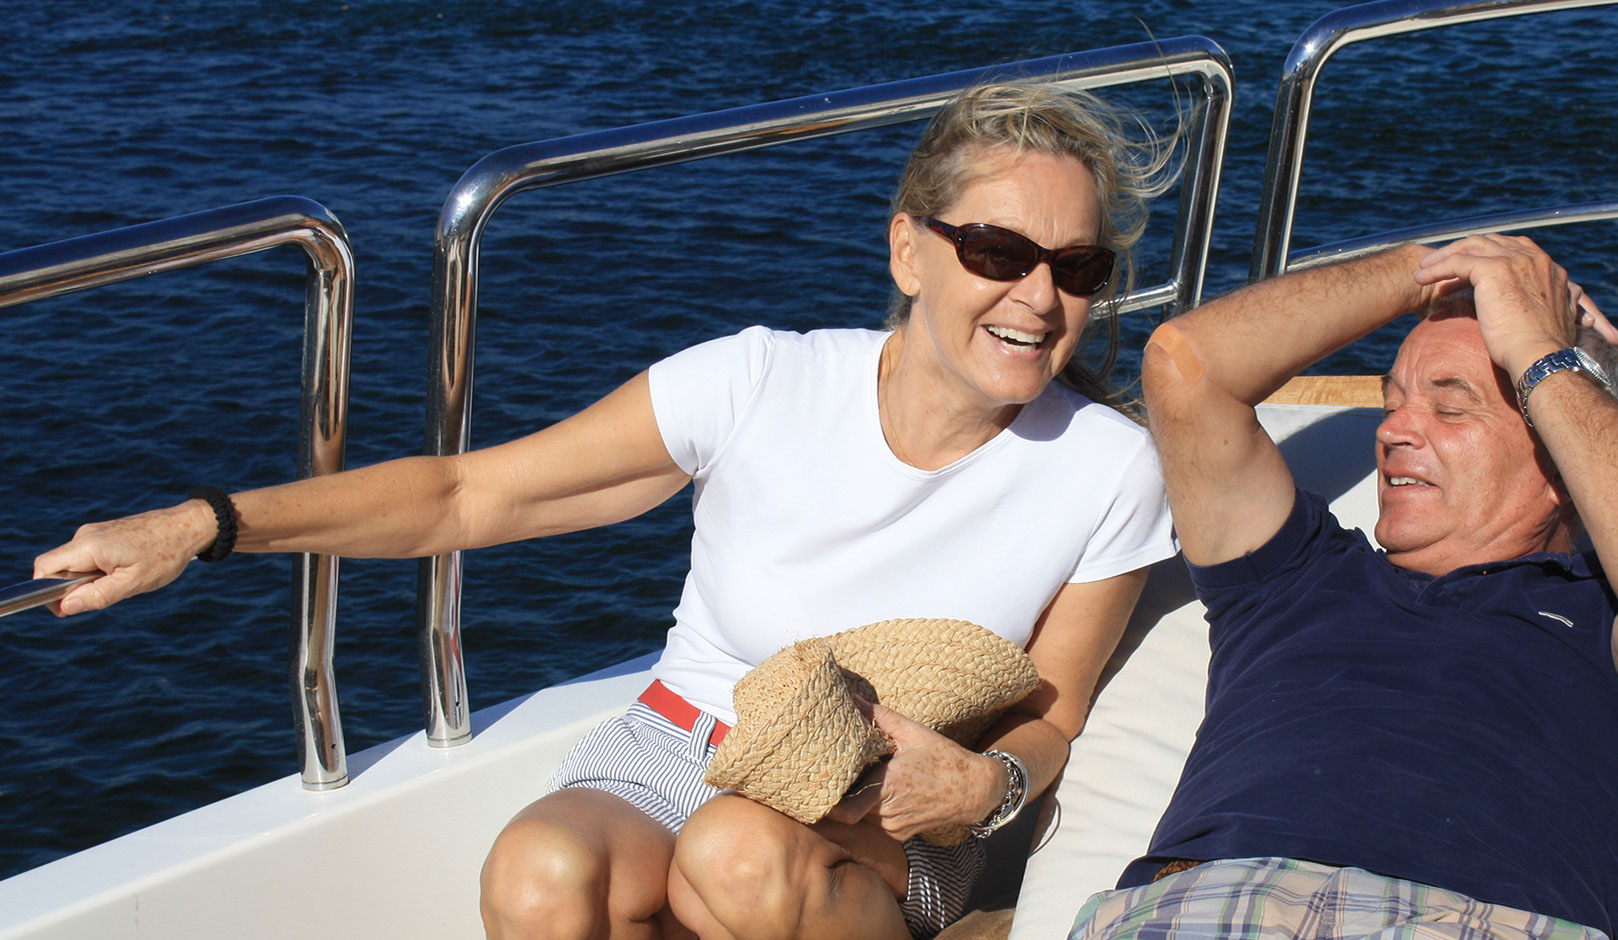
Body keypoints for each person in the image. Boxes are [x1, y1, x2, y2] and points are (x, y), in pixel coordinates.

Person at [32, 82, 1180, 940]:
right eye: (998, 251)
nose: (1038, 296)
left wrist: (983, 786)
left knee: (735, 856)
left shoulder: (1104, 469)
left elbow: (1054, 712)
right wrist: (204, 524)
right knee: (538, 876)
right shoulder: (761, 382)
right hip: (678, 747)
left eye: (1075, 268)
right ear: (909, 251)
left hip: (890, 810)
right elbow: (467, 492)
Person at [1070, 235, 1618, 940]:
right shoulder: (1292, 577)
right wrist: (1443, 267)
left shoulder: (1617, 629)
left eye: (1451, 408)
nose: (1394, 429)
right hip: (1210, 904)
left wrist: (1534, 345)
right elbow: (1186, 368)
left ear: (1561, 458)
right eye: (1392, 402)